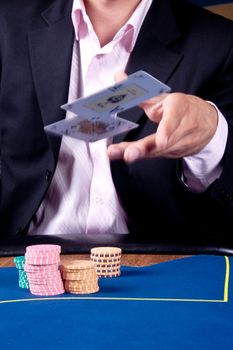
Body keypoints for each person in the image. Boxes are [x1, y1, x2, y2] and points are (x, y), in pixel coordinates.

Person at [1, 0, 233, 243]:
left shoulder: (220, 45)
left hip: (159, 265)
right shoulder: (7, 23)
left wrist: (211, 140)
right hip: (19, 257)